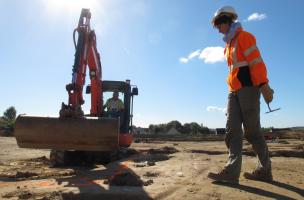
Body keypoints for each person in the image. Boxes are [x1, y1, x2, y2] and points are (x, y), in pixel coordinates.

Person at [207, 6, 274, 184]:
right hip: (233, 91)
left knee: (252, 132)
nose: (218, 28)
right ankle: (231, 172)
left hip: (249, 89)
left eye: (219, 24)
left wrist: (263, 85)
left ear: (227, 20)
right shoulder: (228, 46)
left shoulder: (245, 37)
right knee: (232, 130)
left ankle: (264, 170)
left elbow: (256, 62)